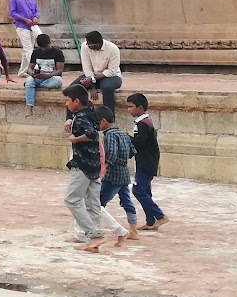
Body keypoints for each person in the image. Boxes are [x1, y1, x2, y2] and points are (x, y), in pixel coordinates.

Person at [62, 84, 127, 252]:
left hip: (83, 164)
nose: (66, 104)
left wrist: (75, 140)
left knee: (72, 199)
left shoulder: (83, 118)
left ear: (76, 101)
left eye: (68, 101)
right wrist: (70, 119)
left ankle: (93, 233)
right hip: (94, 165)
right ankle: (94, 242)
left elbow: (90, 134)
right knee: (93, 204)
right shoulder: (90, 112)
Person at [127, 93, 168, 230]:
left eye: (131, 107)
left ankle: (160, 216)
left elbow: (140, 143)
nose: (129, 110)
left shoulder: (142, 124)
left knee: (138, 191)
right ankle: (150, 221)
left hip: (146, 162)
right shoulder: (145, 121)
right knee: (145, 191)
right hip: (147, 161)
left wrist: (128, 139)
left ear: (139, 108)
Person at [98, 111, 141, 240]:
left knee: (98, 203)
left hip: (113, 174)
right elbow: (132, 151)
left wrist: (103, 168)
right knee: (126, 201)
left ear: (104, 121)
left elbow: (110, 154)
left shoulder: (110, 135)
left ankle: (93, 230)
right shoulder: (123, 134)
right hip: (124, 172)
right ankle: (134, 230)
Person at [80, 29, 123, 119]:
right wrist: (92, 86)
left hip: (111, 76)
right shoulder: (85, 46)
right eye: (87, 43)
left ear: (98, 44)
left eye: (90, 45)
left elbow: (112, 70)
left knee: (107, 88)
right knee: (75, 88)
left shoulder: (112, 49)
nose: (87, 46)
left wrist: (92, 80)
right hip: (91, 75)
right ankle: (71, 119)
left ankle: (109, 119)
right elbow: (87, 67)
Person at [24, 33, 67, 116]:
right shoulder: (36, 52)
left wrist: (48, 75)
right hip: (39, 77)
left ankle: (34, 86)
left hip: (51, 78)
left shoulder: (58, 53)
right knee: (29, 80)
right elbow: (29, 68)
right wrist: (32, 74)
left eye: (45, 47)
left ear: (49, 43)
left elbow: (60, 70)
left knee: (58, 81)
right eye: (41, 47)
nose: (43, 49)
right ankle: (29, 108)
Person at [8, 0, 42, 74]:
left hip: (33, 26)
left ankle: (22, 72)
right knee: (28, 49)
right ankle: (36, 69)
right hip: (22, 26)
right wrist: (24, 19)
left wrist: (36, 17)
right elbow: (13, 13)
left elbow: (37, 10)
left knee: (30, 47)